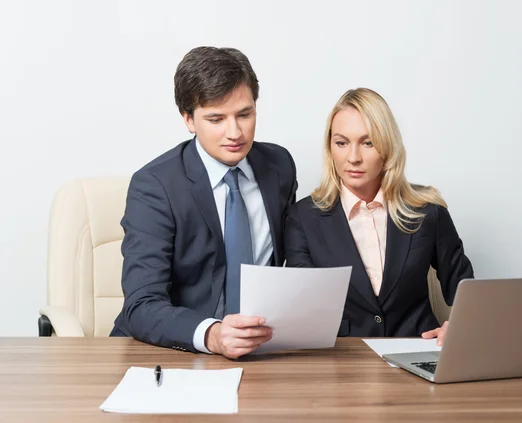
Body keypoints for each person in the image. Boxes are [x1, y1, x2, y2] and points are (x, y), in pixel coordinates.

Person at [110, 46, 298, 358]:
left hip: (261, 351)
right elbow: (141, 306)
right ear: (188, 120)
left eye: (244, 114)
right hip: (175, 351)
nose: (234, 132)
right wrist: (212, 334)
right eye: (216, 119)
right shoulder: (155, 186)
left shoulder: (278, 166)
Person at [284, 88, 473, 345]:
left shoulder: (428, 211)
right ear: (330, 148)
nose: (353, 157)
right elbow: (302, 306)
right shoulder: (302, 218)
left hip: (417, 352)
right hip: (342, 362)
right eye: (341, 143)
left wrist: (461, 326)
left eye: (368, 142)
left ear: (387, 146)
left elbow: (466, 289)